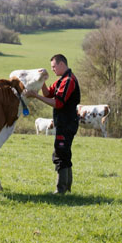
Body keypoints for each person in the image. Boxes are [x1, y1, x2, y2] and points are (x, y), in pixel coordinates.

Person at [25, 54, 80, 194]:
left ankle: (60, 189)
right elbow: (49, 93)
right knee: (65, 153)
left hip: (67, 123)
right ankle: (66, 188)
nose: (53, 69)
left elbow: (58, 103)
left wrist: (36, 96)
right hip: (64, 122)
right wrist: (42, 80)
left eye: (54, 66)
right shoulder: (61, 80)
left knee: (60, 154)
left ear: (62, 64)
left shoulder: (69, 80)